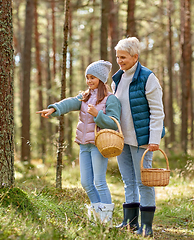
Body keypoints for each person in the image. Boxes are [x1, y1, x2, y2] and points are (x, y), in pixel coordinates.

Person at [36, 60, 121, 227]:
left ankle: (107, 221)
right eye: (87, 77)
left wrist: (98, 115)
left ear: (101, 79)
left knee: (99, 182)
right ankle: (98, 218)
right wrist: (53, 109)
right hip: (84, 145)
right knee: (86, 183)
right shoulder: (85, 97)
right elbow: (68, 103)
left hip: (99, 145)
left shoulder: (110, 99)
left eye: (93, 78)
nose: (89, 81)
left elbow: (114, 123)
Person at [111, 37, 165, 237]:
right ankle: (130, 222)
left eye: (123, 57)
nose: (119, 61)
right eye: (117, 57)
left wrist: (154, 139)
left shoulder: (148, 77)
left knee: (144, 181)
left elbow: (157, 111)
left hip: (142, 140)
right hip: (121, 139)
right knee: (128, 180)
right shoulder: (117, 79)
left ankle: (147, 226)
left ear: (135, 57)